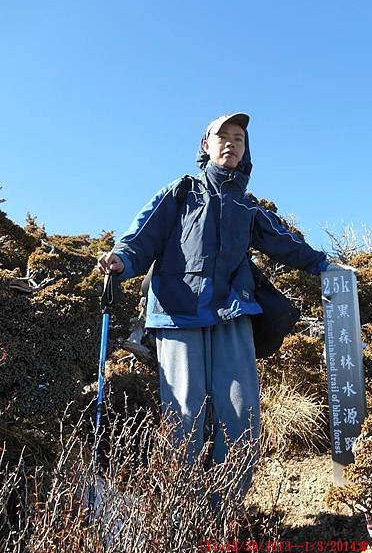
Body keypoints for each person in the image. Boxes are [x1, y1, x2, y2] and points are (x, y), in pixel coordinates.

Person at [97, 112, 328, 501]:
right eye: (222, 137)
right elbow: (143, 233)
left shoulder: (248, 207)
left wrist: (325, 265)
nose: (231, 143)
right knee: (185, 412)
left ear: (245, 150)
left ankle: (223, 511)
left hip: (231, 314)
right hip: (177, 313)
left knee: (241, 414)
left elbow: (286, 243)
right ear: (205, 146)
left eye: (238, 138)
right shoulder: (182, 191)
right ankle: (178, 510)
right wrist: (122, 259)